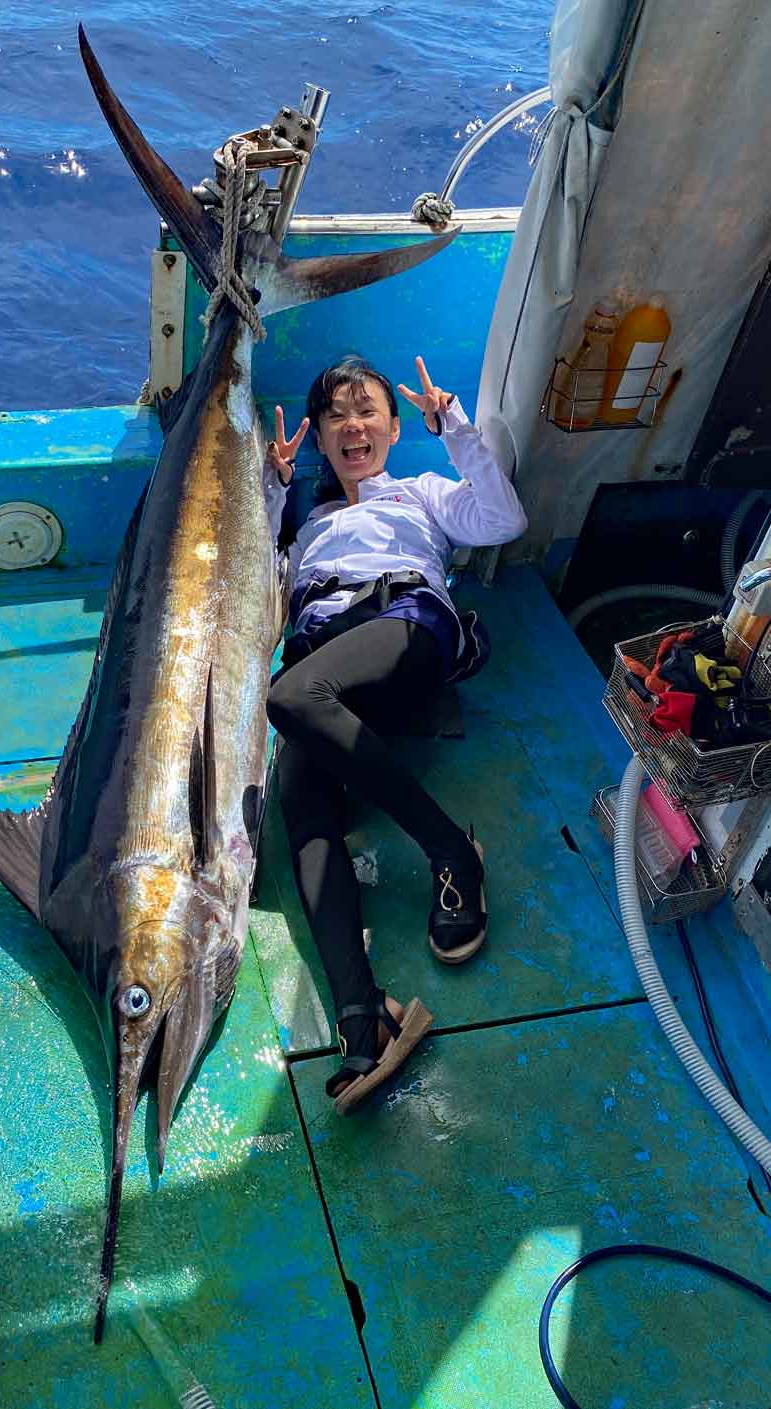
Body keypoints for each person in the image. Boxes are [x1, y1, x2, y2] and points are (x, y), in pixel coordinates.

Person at [263, 353, 527, 1113]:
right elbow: (255, 589)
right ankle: (361, 1018)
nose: (352, 425)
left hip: (405, 625)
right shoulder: (306, 528)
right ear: (316, 435)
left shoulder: (421, 492)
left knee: (292, 699)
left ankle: (451, 849)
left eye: (366, 409)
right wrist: (272, 491)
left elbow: (504, 519)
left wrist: (457, 431)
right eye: (335, 415)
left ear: (393, 425)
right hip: (324, 660)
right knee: (302, 804)